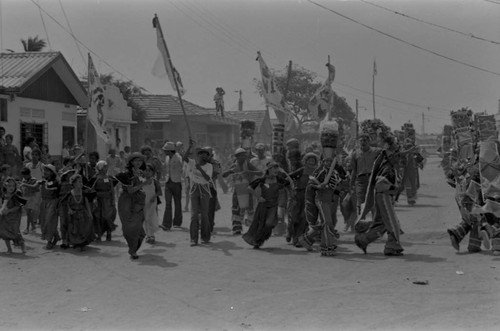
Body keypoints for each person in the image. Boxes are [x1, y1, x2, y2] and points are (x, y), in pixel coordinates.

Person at [354, 135, 405, 256]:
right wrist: (395, 188)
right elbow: (380, 184)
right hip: (384, 197)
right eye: (397, 156)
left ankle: (364, 239)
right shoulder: (387, 168)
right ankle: (392, 246)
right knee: (393, 223)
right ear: (392, 156)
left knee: (382, 224)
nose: (399, 159)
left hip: (383, 197)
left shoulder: (389, 166)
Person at [299, 155, 345, 256]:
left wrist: (339, 192)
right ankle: (326, 247)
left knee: (326, 222)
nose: (328, 163)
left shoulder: (335, 173)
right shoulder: (320, 172)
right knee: (327, 222)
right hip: (320, 199)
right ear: (323, 162)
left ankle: (307, 239)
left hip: (330, 200)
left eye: (330, 161)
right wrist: (319, 186)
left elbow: (337, 186)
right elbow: (311, 184)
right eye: (326, 161)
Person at [242, 161, 292, 249]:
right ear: (269, 169)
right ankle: (257, 242)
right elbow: (249, 188)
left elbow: (289, 184)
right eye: (274, 168)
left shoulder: (279, 179)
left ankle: (263, 237)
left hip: (273, 206)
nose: (276, 170)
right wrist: (258, 197)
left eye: (277, 168)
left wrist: (285, 173)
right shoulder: (262, 179)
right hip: (263, 206)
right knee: (260, 224)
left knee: (269, 224)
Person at [115, 152, 148, 260]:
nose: (138, 163)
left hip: (138, 202)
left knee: (139, 228)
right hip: (126, 202)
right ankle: (132, 249)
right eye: (136, 160)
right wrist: (143, 184)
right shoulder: (126, 174)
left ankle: (133, 249)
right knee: (129, 227)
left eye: (140, 161)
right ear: (131, 162)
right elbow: (129, 190)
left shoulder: (141, 173)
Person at [222, 148, 262, 235]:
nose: (243, 157)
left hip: (248, 189)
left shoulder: (247, 164)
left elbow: (260, 173)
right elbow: (223, 175)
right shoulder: (234, 165)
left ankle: (252, 227)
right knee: (236, 208)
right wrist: (230, 171)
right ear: (237, 157)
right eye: (241, 155)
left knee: (250, 209)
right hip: (237, 190)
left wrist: (250, 171)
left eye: (244, 155)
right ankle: (237, 228)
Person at [183, 141, 213, 246]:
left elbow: (208, 178)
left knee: (204, 215)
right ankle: (193, 239)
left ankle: (205, 237)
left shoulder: (209, 166)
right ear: (198, 155)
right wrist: (190, 146)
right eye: (201, 153)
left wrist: (200, 169)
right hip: (194, 190)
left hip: (204, 190)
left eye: (206, 154)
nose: (203, 155)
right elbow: (184, 157)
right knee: (194, 215)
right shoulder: (192, 162)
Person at [287, 152, 319, 246]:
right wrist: (291, 188)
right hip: (298, 196)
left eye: (313, 160)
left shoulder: (317, 171)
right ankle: (290, 231)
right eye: (309, 160)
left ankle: (298, 240)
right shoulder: (301, 170)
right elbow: (289, 177)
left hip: (310, 197)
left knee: (304, 219)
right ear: (306, 161)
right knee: (294, 218)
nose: (311, 161)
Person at [61, 174, 95, 251]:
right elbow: (66, 203)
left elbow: (86, 203)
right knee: (74, 230)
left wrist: (89, 213)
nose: (81, 183)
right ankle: (75, 243)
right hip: (73, 215)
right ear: (74, 183)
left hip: (82, 214)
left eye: (81, 182)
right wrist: (69, 209)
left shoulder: (83, 193)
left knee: (82, 229)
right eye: (79, 182)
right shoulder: (70, 194)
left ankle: (81, 243)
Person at [350, 134, 381, 215]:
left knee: (373, 201)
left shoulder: (376, 151)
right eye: (361, 141)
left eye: (365, 140)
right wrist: (351, 183)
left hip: (373, 179)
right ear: (358, 142)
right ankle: (360, 220)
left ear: (369, 141)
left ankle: (375, 222)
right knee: (360, 201)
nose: (363, 142)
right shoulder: (355, 154)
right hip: (361, 180)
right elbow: (354, 169)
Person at [89, 161, 117, 242]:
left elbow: (112, 190)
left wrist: (113, 200)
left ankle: (109, 232)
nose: (106, 168)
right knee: (97, 217)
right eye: (104, 167)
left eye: (106, 167)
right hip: (98, 200)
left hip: (107, 200)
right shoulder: (96, 178)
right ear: (100, 167)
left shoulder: (109, 178)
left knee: (107, 217)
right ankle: (99, 235)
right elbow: (92, 189)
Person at [160, 142, 183, 231]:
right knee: (168, 204)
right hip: (168, 182)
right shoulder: (166, 158)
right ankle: (166, 224)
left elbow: (183, 167)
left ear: (170, 151)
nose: (164, 152)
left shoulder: (178, 158)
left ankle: (177, 222)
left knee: (177, 203)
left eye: (166, 150)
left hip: (177, 182)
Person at [0, 177, 27, 254]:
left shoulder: (15, 195)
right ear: (5, 186)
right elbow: (3, 204)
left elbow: (18, 206)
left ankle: (22, 246)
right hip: (5, 217)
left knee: (15, 232)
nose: (12, 188)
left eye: (13, 186)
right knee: (4, 232)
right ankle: (9, 249)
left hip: (14, 217)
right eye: (9, 186)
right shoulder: (4, 195)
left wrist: (9, 211)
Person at [143, 163, 162, 244]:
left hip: (151, 202)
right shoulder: (141, 181)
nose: (147, 172)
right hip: (143, 202)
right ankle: (147, 235)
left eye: (149, 171)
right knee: (145, 218)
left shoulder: (155, 181)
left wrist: (154, 196)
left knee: (150, 217)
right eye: (145, 170)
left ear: (152, 172)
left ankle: (151, 235)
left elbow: (159, 192)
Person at [20, 167, 39, 234]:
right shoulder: (24, 180)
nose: (24, 177)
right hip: (25, 197)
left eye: (25, 176)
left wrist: (26, 186)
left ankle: (27, 228)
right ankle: (33, 226)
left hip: (31, 198)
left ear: (28, 174)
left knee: (28, 212)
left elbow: (36, 188)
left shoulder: (34, 180)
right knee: (28, 213)